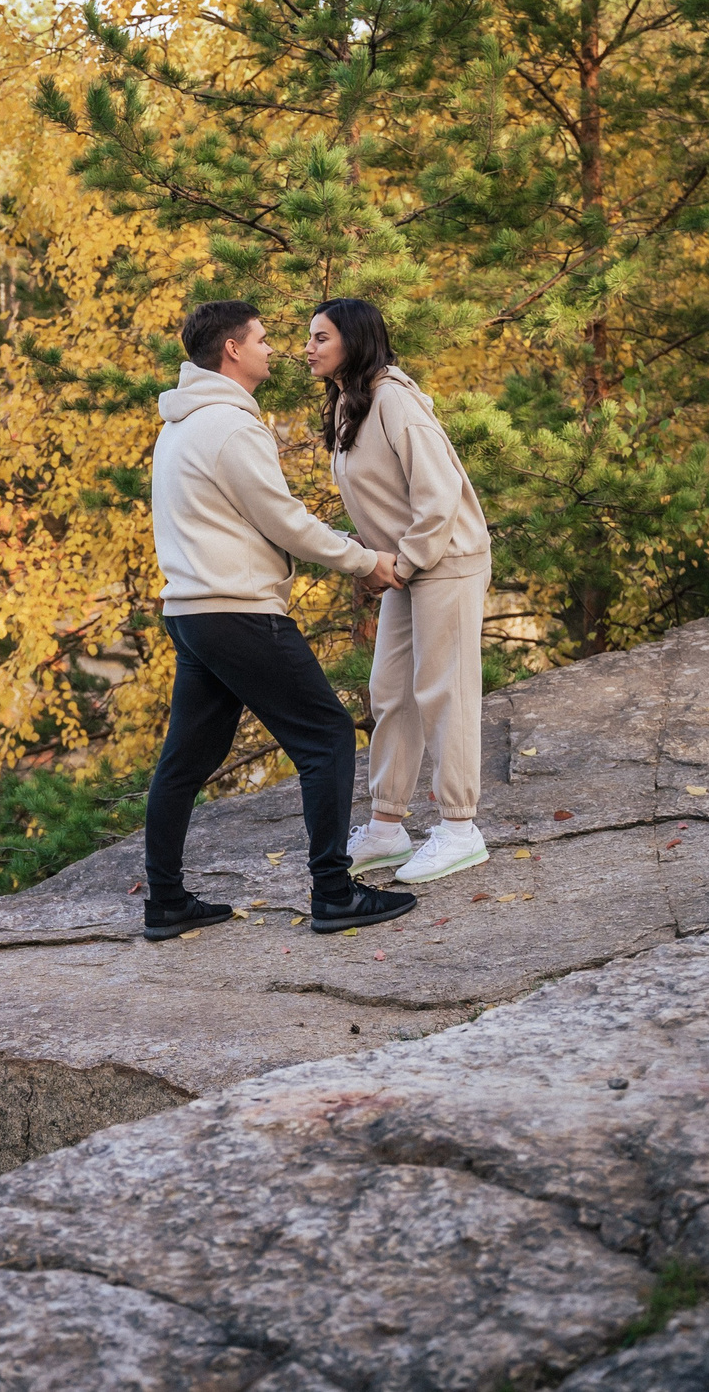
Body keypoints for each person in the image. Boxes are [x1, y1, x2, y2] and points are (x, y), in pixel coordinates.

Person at [140, 300, 419, 940]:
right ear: (232, 351)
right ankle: (334, 892)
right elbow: (284, 521)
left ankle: (165, 903)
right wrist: (364, 560)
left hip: (191, 613)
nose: (275, 349)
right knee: (325, 738)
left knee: (184, 763)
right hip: (238, 610)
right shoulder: (230, 428)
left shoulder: (179, 427)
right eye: (263, 340)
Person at [307, 297, 494, 886]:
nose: (307, 348)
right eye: (308, 338)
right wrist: (374, 560)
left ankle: (461, 829)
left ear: (353, 341)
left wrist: (402, 563)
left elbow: (437, 496)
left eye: (320, 337)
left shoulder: (394, 399)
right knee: (391, 691)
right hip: (408, 568)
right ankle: (387, 826)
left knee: (444, 690)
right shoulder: (348, 403)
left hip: (446, 560)